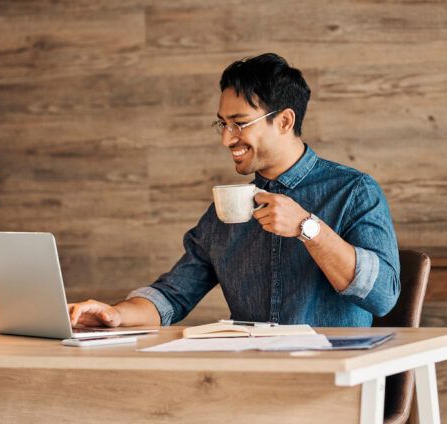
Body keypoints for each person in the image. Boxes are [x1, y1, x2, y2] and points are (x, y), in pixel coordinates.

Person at [69, 53, 399, 328]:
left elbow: (383, 296)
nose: (226, 139)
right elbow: (172, 295)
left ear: (284, 121)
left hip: (335, 381)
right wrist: (115, 314)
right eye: (222, 124)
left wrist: (307, 228)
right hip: (252, 381)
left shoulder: (353, 191)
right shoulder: (229, 208)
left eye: (239, 124)